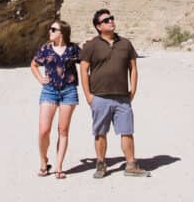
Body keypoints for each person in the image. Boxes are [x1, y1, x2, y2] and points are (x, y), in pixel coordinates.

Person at [79, 9, 151, 178]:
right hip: (100, 97)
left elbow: (133, 68)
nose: (111, 21)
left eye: (111, 18)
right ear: (98, 26)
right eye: (106, 20)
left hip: (122, 97)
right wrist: (88, 96)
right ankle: (101, 164)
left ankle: (131, 164)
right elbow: (83, 70)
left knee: (127, 131)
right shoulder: (91, 45)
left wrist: (133, 90)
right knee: (100, 132)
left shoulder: (125, 43)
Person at [30, 20, 81, 179]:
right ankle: (44, 161)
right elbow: (34, 64)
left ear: (62, 33)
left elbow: (86, 61)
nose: (50, 31)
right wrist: (40, 79)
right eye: (50, 29)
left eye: (53, 29)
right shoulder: (45, 49)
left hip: (69, 90)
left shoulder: (73, 49)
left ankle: (59, 166)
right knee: (44, 130)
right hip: (49, 91)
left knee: (63, 130)